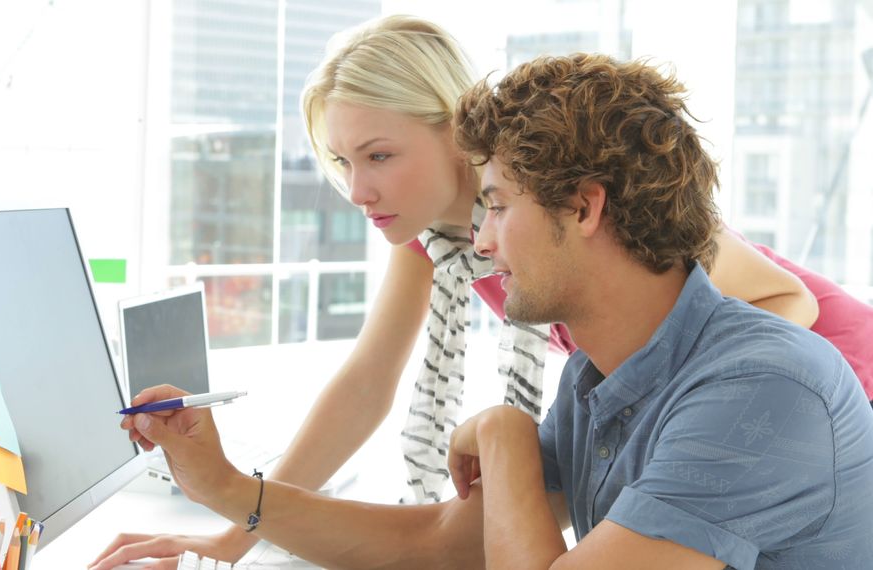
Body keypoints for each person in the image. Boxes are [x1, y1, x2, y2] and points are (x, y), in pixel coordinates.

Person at [89, 15, 865, 568]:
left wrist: (502, 430)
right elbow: (437, 541)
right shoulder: (598, 372)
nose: (483, 244)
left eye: (379, 155)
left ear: (584, 207)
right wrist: (228, 494)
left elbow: (779, 330)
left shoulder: (750, 372)